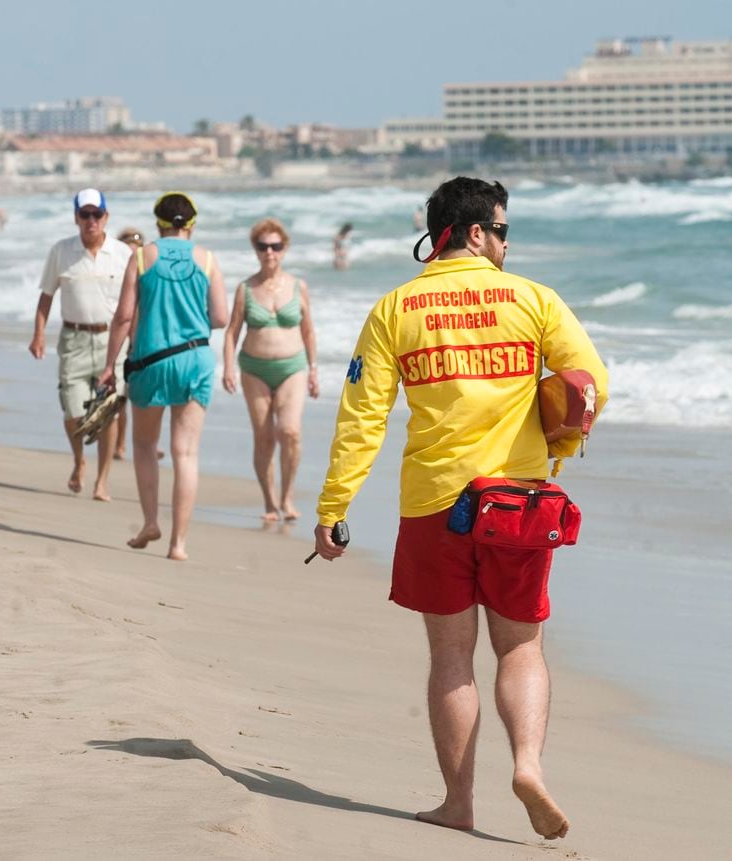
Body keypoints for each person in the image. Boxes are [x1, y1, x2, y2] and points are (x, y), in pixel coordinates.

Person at [311, 177, 608, 841]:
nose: (505, 243)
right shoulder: (534, 300)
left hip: (433, 505)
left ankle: (457, 801)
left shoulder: (396, 308)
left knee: (451, 658)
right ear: (475, 231)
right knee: (522, 647)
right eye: (502, 231)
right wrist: (557, 444)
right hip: (520, 503)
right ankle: (527, 763)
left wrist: (335, 506)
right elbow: (590, 385)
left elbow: (363, 415)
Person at [99, 193, 228, 560]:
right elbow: (220, 318)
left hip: (151, 361)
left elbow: (124, 316)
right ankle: (179, 544)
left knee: (144, 446)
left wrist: (109, 365)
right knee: (185, 452)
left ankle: (151, 522)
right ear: (191, 225)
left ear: (158, 224)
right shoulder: (207, 260)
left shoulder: (141, 257)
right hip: (195, 359)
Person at [28, 188, 131, 500]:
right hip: (73, 339)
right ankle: (79, 460)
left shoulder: (123, 254)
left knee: (108, 410)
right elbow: (46, 295)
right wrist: (39, 334)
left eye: (96, 214)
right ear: (76, 217)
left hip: (111, 341)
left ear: (106, 217)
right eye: (84, 215)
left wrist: (137, 340)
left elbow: (134, 302)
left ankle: (102, 481)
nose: (91, 221)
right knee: (74, 412)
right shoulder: (61, 251)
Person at [222, 218, 319, 521]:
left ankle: (287, 498)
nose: (269, 252)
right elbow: (231, 333)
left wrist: (314, 370)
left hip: (293, 367)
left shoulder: (297, 286)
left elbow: (309, 332)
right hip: (254, 369)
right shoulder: (245, 288)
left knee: (289, 431)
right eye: (263, 247)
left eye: (275, 246)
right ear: (256, 250)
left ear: (284, 248)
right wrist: (227, 368)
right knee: (264, 436)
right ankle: (269, 502)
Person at [113, 226, 148, 462]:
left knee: (139, 399)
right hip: (117, 342)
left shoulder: (148, 273)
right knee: (120, 400)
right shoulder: (114, 273)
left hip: (141, 343)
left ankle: (142, 442)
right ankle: (121, 444)